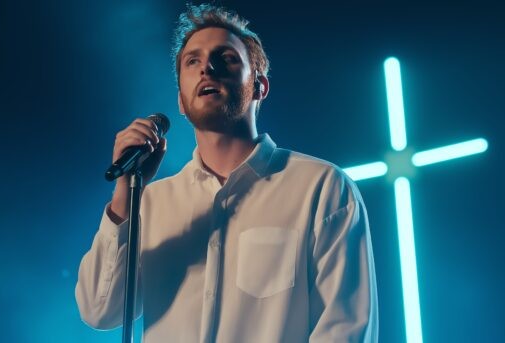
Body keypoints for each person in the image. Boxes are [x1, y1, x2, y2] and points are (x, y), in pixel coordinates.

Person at [75, 4, 378, 342]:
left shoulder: (320, 188)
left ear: (259, 86)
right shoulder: (149, 203)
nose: (208, 67)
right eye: (193, 61)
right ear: (180, 99)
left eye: (227, 58)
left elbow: (345, 328)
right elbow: (99, 311)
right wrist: (124, 192)